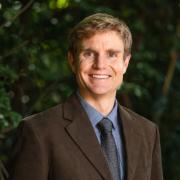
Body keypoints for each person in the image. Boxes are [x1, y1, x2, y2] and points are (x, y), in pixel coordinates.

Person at [8, 13, 163, 180]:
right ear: (72, 61)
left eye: (112, 54)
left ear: (125, 63)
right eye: (89, 53)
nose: (100, 65)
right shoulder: (38, 132)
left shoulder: (147, 132)